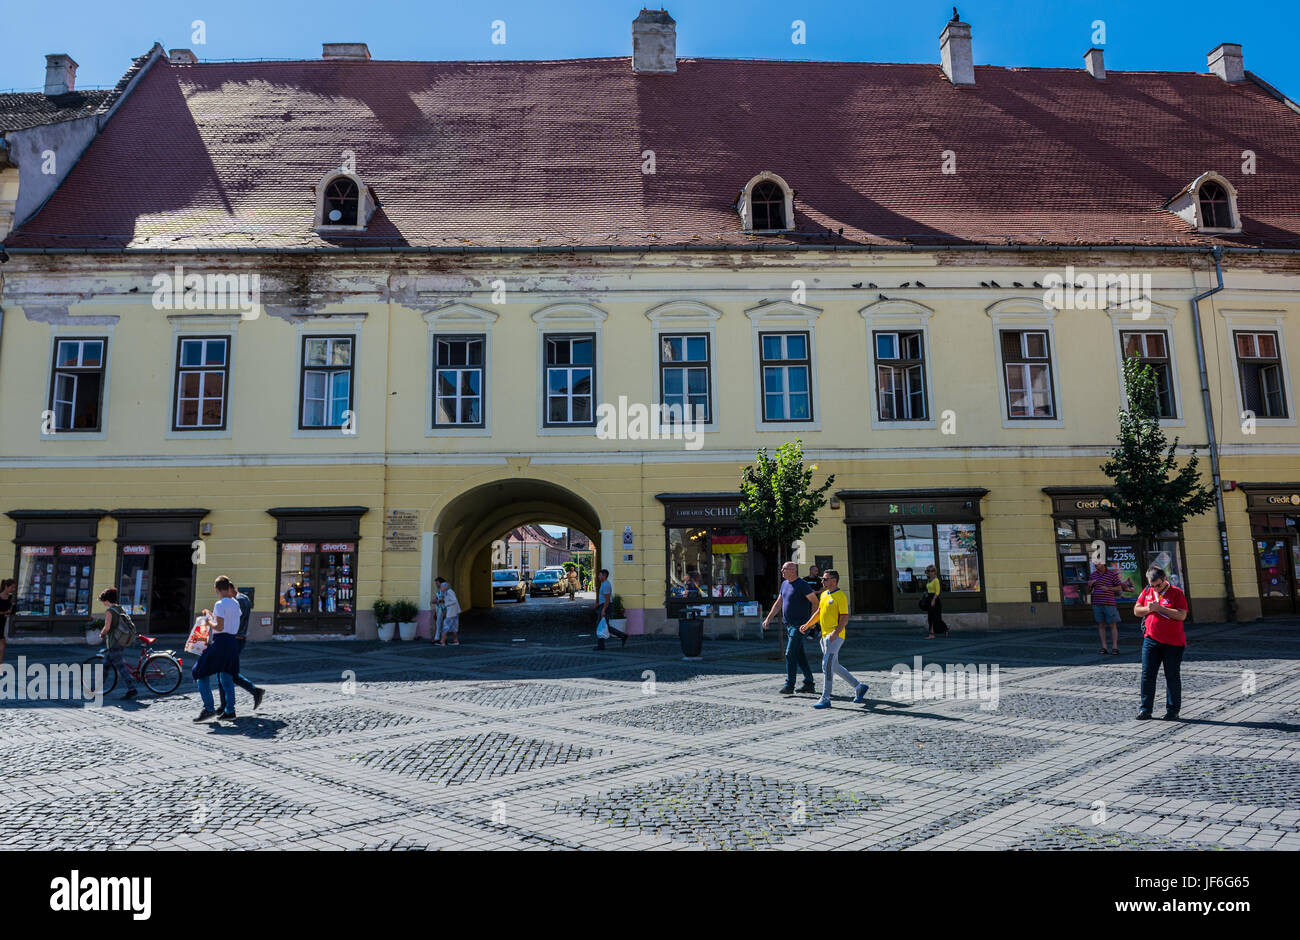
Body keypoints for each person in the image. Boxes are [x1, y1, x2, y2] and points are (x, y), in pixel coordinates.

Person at [800, 570, 868, 709]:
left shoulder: (840, 596)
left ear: (834, 580)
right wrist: (808, 625)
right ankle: (859, 687)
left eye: (825, 579)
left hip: (835, 637)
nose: (822, 582)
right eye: (822, 579)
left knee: (826, 665)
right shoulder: (824, 594)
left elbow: (844, 618)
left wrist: (835, 633)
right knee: (834, 666)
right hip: (824, 636)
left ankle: (825, 698)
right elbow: (819, 612)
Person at [1134, 566, 1188, 721]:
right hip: (1151, 640)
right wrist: (1148, 609)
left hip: (1173, 642)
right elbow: (1137, 611)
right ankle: (1145, 709)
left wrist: (1160, 608)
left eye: (1158, 585)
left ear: (1164, 580)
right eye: (1152, 586)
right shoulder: (1147, 592)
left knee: (1172, 676)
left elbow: (1181, 615)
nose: (1155, 588)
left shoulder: (1177, 592)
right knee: (1147, 675)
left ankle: (1172, 711)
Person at [762, 561, 818, 695]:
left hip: (800, 626)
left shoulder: (802, 584)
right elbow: (779, 602)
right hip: (789, 625)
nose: (782, 571)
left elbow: (815, 602)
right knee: (800, 655)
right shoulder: (785, 584)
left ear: (793, 570)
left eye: (784, 569)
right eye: (782, 569)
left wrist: (811, 622)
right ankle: (809, 683)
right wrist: (768, 618)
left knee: (789, 653)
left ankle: (789, 685)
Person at [192, 578, 242, 721]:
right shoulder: (235, 602)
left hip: (221, 642)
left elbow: (219, 627)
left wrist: (208, 622)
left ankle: (208, 708)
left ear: (217, 589)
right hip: (232, 641)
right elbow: (229, 622)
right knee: (226, 676)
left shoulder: (220, 604)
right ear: (228, 587)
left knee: (199, 671)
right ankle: (230, 711)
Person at [216, 578, 265, 713]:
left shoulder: (239, 601)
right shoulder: (241, 599)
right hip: (234, 640)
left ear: (230, 590)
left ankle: (226, 706)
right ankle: (252, 692)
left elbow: (231, 621)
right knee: (227, 672)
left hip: (235, 640)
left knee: (225, 672)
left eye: (225, 593)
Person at [96, 588, 138, 700]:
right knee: (106, 665)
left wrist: (102, 634)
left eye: (103, 601)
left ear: (107, 600)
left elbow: (107, 627)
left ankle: (132, 688)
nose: (103, 603)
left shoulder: (110, 611)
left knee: (120, 667)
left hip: (114, 642)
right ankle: (97, 688)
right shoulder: (120, 609)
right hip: (120, 641)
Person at [1087, 560, 1122, 655]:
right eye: (1095, 563)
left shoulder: (1111, 574)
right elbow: (1088, 591)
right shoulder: (1093, 575)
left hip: (1109, 604)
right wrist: (1089, 586)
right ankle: (1104, 647)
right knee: (1101, 625)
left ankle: (1115, 647)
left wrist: (1109, 588)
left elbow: (1119, 588)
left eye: (1097, 563)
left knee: (1112, 625)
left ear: (1103, 563)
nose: (1096, 565)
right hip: (1097, 604)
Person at [593, 568, 627, 650]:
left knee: (599, 625)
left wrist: (603, 610)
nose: (598, 576)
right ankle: (623, 636)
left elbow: (607, 599)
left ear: (604, 576)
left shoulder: (606, 585)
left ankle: (601, 646)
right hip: (603, 606)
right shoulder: (604, 584)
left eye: (600, 575)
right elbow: (604, 598)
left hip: (606, 607)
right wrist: (598, 605)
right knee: (605, 626)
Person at [922, 565, 949, 638]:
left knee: (935, 618)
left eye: (932, 571)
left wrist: (933, 600)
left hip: (935, 599)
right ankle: (941, 630)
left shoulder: (936, 580)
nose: (931, 573)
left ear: (935, 572)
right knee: (930, 617)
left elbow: (937, 591)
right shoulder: (929, 580)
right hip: (929, 598)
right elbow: (929, 590)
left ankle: (933, 634)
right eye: (929, 571)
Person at [435, 577, 461, 646]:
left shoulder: (449, 592)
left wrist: (446, 605)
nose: (440, 588)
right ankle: (456, 641)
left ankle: (442, 642)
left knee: (445, 625)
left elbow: (454, 600)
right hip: (454, 612)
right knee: (454, 627)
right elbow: (445, 599)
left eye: (441, 587)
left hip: (452, 612)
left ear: (445, 587)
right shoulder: (446, 592)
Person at [0, 577, 15, 664]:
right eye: (11, 587)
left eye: (14, 588)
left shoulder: (10, 598)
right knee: (2, 643)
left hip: (2, 622)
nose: (13, 589)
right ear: (6, 586)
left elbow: (11, 610)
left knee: (3, 644)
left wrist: (10, 610)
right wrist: (5, 612)